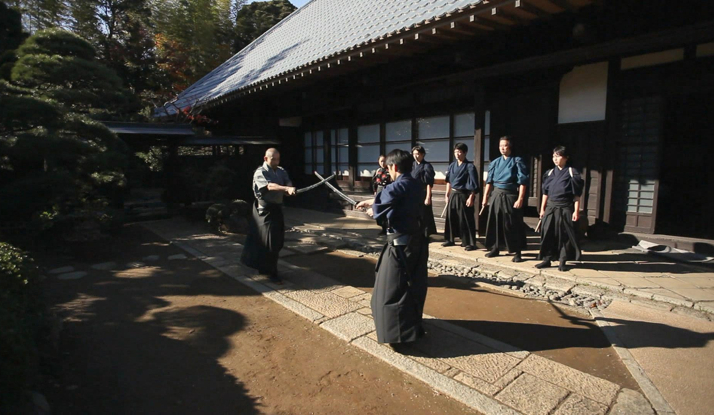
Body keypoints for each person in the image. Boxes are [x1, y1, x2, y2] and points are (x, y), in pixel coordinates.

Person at [356, 149, 428, 349]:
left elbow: (380, 210)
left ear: (394, 167)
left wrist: (372, 210)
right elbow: (394, 200)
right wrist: (371, 202)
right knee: (413, 287)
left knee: (390, 291)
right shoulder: (415, 184)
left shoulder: (394, 187)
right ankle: (412, 326)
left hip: (399, 247)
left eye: (388, 168)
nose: (388, 172)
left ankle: (398, 337)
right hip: (416, 244)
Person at [240, 148, 296, 284]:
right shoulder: (260, 172)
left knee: (277, 240)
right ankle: (272, 273)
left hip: (276, 209)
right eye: (273, 159)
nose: (276, 161)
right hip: (264, 211)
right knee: (268, 242)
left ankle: (264, 267)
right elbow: (269, 186)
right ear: (266, 159)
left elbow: (287, 180)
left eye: (278, 159)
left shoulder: (281, 170)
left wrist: (289, 187)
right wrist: (285, 189)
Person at [536, 146, 584, 271]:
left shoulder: (572, 173)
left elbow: (576, 195)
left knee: (564, 235)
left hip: (565, 207)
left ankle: (563, 260)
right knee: (547, 233)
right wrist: (542, 209)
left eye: (558, 156)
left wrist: (576, 211)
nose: (555, 159)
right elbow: (545, 193)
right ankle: (547, 259)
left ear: (566, 157)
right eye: (553, 156)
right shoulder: (550, 173)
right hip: (551, 207)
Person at [482, 136, 529, 262]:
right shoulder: (495, 162)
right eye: (500, 146)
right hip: (496, 194)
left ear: (510, 146)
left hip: (510, 195)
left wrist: (520, 199)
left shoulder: (517, 161)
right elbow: (489, 181)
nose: (502, 148)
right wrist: (485, 197)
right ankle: (496, 247)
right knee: (495, 222)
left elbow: (522, 182)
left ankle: (517, 251)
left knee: (512, 223)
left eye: (505, 145)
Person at [442, 142, 479, 251]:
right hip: (453, 193)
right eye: (455, 152)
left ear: (465, 153)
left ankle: (469, 242)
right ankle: (450, 239)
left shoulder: (470, 166)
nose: (457, 154)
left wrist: (471, 197)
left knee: (466, 218)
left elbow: (473, 183)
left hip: (464, 195)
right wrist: (447, 194)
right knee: (451, 217)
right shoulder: (452, 165)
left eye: (459, 152)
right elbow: (448, 181)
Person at [411, 145, 437, 237]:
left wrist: (428, 197)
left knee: (424, 214)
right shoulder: (412, 165)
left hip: (423, 192)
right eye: (414, 154)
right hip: (413, 192)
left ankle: (425, 233)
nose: (415, 156)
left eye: (418, 154)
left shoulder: (427, 166)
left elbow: (429, 183)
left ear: (422, 154)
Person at [372, 155, 392, 235]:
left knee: (386, 210)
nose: (383, 163)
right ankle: (382, 227)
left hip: (386, 190)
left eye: (384, 161)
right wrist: (375, 190)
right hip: (379, 190)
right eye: (381, 161)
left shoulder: (389, 170)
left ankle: (388, 227)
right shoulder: (378, 170)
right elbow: (374, 182)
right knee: (379, 209)